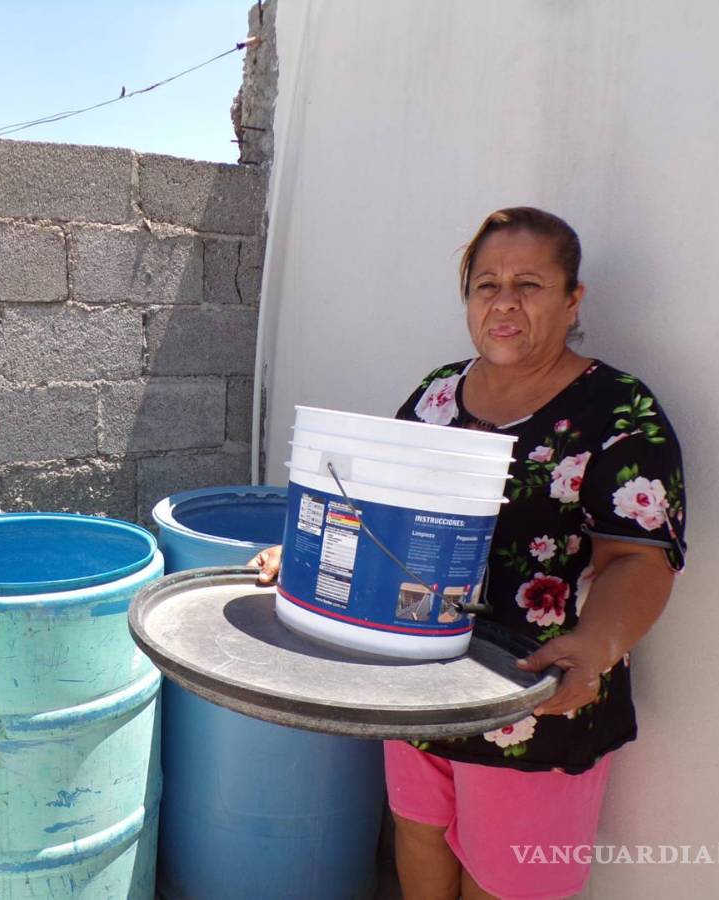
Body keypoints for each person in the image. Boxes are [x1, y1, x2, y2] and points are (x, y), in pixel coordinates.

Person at [250, 207, 687, 900]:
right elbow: (372, 505)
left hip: (536, 697)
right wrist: (301, 556)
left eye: (529, 284)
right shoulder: (436, 397)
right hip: (419, 682)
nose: (504, 301)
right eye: (486, 284)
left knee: (504, 882)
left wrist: (597, 644)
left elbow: (640, 556)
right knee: (419, 838)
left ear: (573, 300)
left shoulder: (617, 410)